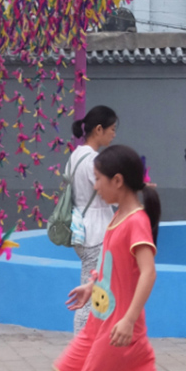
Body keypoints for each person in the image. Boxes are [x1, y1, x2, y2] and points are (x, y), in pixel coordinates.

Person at [53, 145, 159, 371]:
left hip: (117, 326)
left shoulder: (136, 221)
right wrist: (91, 285)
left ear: (118, 180)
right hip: (99, 318)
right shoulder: (116, 217)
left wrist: (128, 320)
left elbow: (148, 273)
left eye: (98, 179)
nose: (95, 185)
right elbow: (110, 266)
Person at [63, 105, 118, 336]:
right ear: (98, 129)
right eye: (111, 129)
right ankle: (80, 346)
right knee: (92, 290)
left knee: (96, 287)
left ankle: (91, 343)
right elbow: (108, 194)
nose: (113, 134)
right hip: (96, 231)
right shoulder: (94, 160)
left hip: (81, 228)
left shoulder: (75, 156)